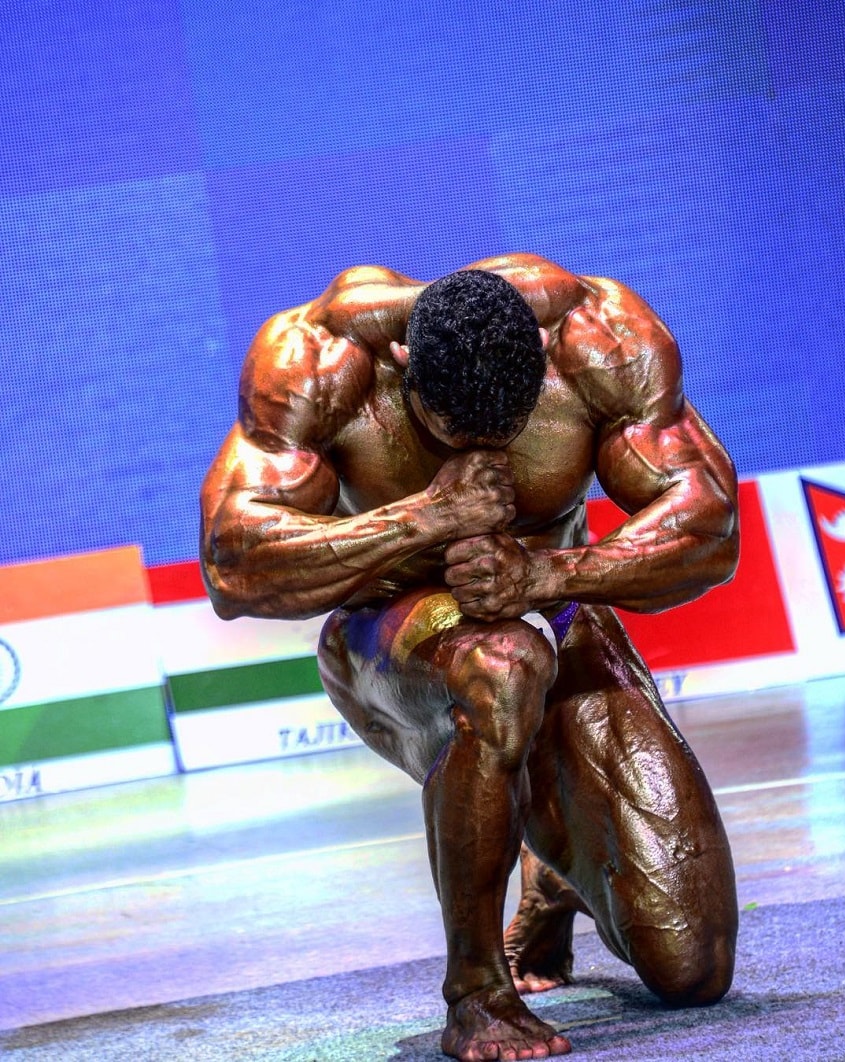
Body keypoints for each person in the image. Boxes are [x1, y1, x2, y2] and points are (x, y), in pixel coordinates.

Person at [200, 253, 739, 1061]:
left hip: (551, 605)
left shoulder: (598, 335)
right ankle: (478, 993)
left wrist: (548, 571)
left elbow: (710, 527)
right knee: (501, 661)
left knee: (692, 967)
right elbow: (234, 563)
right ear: (408, 370)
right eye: (454, 433)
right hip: (392, 631)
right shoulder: (319, 354)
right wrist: (423, 518)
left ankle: (550, 869)